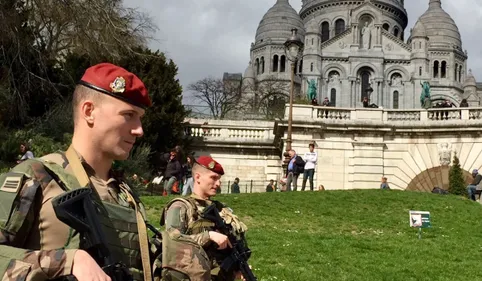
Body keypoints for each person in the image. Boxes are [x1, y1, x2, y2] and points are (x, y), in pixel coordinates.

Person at [0, 62, 160, 281]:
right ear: (89, 111)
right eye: (129, 114)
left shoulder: (125, 194)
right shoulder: (37, 176)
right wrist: (67, 261)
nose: (139, 129)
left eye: (140, 117)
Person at [161, 156, 250, 281]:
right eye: (213, 178)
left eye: (219, 179)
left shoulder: (221, 210)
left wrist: (236, 269)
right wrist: (208, 236)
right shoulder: (180, 206)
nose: (218, 183)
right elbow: (172, 243)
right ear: (197, 177)